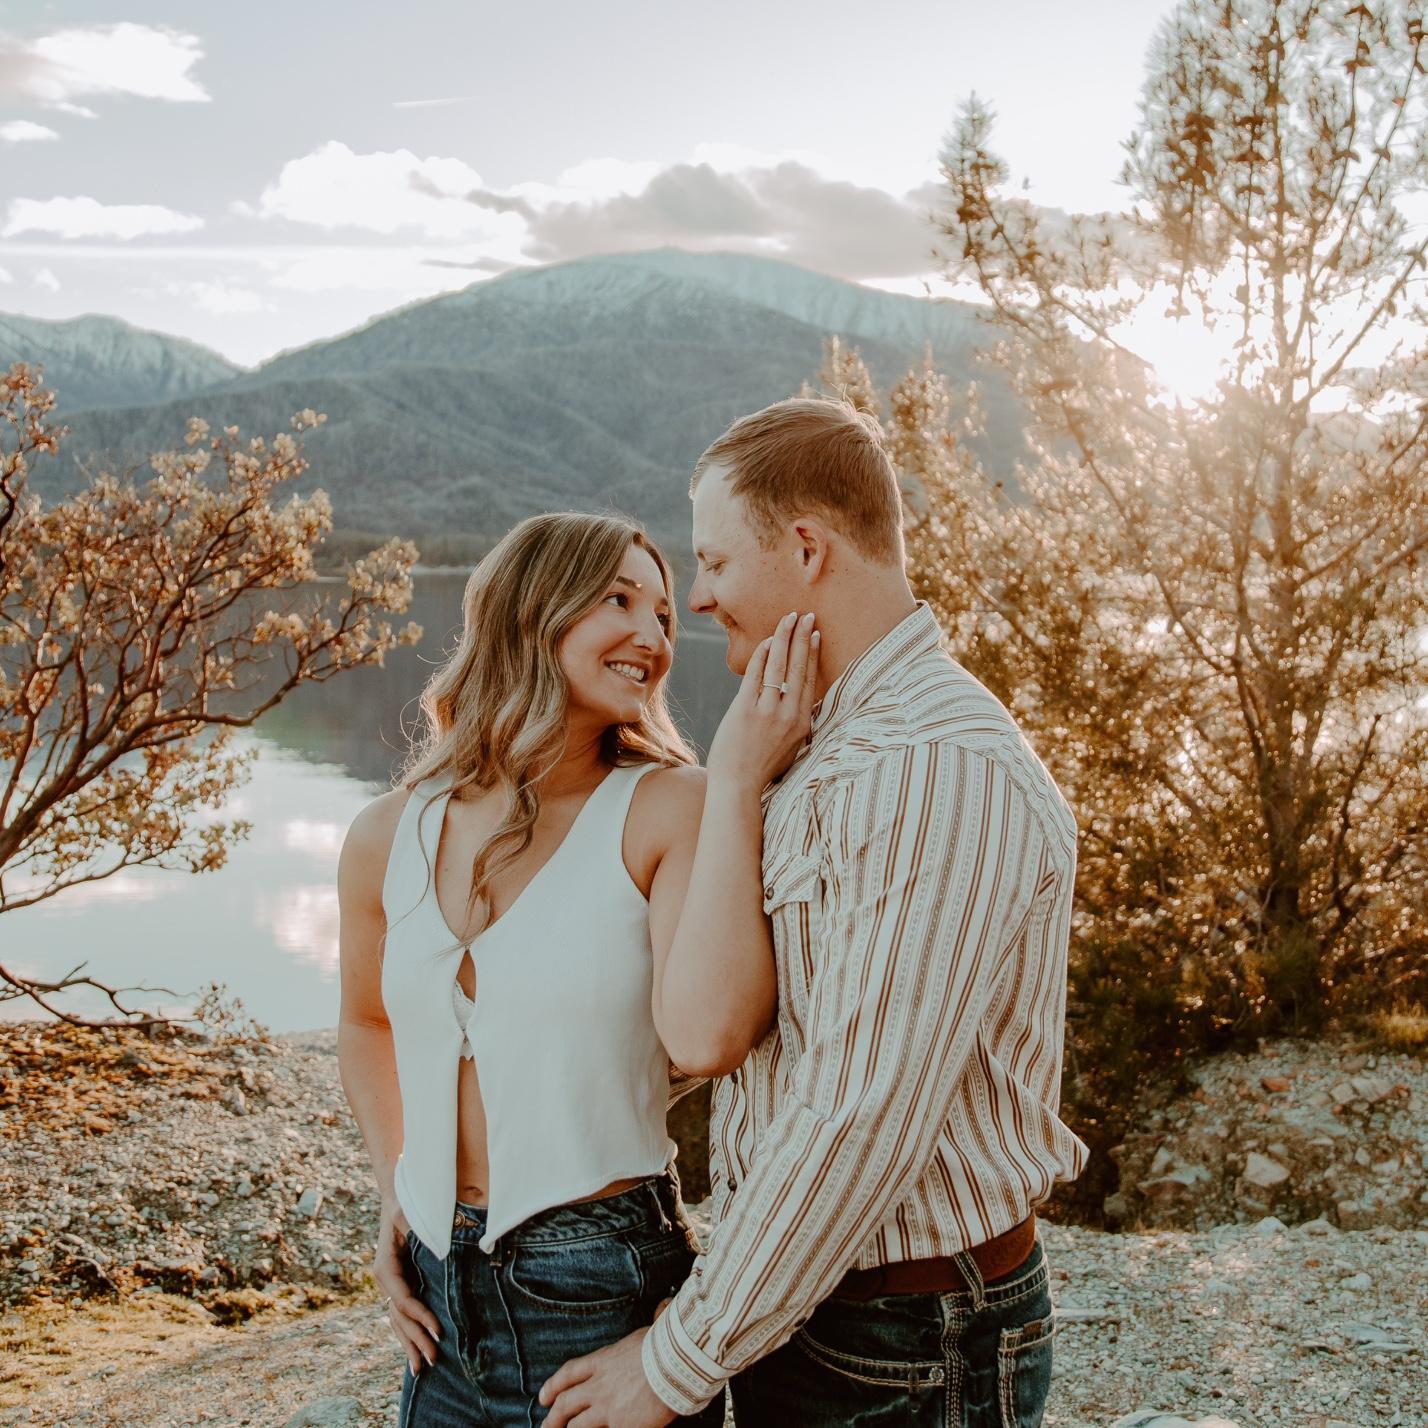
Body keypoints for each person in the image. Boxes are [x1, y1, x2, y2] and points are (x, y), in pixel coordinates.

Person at [541, 399, 1089, 1428]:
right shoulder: (827, 742)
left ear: (805, 548)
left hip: (907, 1343)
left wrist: (673, 1363)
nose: (699, 598)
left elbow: (858, 1110)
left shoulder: (932, 765)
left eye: (714, 561)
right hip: (823, 1312)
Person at [336, 511, 815, 1427]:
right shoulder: (383, 835)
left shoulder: (672, 808)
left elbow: (712, 1037)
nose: (654, 637)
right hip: (436, 1299)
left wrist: (741, 781)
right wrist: (395, 1184)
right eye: (619, 601)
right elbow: (365, 1021)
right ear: (531, 608)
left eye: (664, 616)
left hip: (599, 1284)